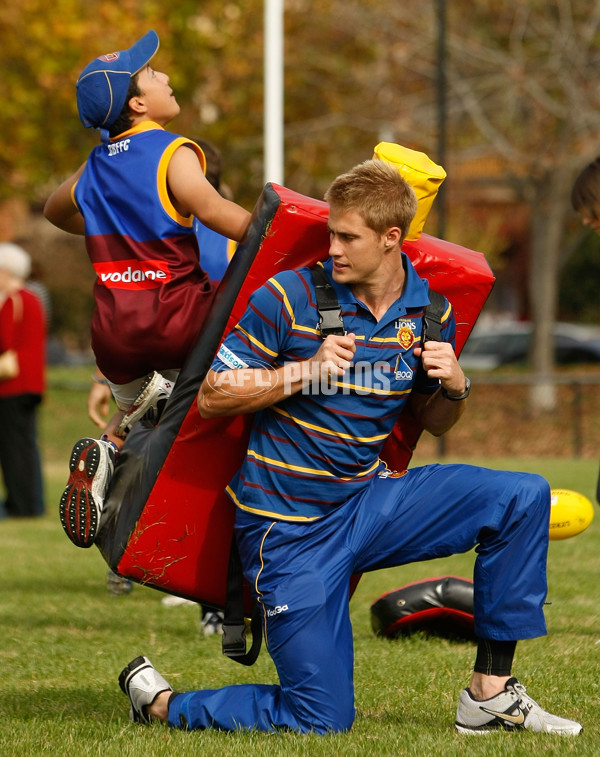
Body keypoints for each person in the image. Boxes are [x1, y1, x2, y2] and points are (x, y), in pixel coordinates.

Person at [118, 159, 582, 735]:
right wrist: (303, 372)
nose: (331, 246)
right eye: (331, 232)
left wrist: (457, 386)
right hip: (284, 529)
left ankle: (489, 694)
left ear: (392, 239)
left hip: (368, 503)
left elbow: (436, 422)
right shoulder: (289, 296)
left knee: (521, 496)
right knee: (322, 719)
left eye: (347, 236)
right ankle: (162, 704)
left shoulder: (430, 312)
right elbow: (212, 396)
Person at [43, 30, 251, 549]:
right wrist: (280, 233)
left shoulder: (95, 165)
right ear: (139, 103)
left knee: (136, 422)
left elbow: (52, 209)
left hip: (114, 336)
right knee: (224, 418)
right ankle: (203, 535)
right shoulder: (172, 150)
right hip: (179, 321)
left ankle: (112, 451)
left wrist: (97, 225)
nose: (165, 76)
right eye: (154, 74)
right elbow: (215, 212)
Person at [0, 243, 46, 518]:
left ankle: (20, 505)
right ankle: (31, 503)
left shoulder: (13, 299)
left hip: (12, 385)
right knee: (26, 444)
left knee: (13, 446)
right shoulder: (32, 298)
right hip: (30, 382)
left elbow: (5, 339)